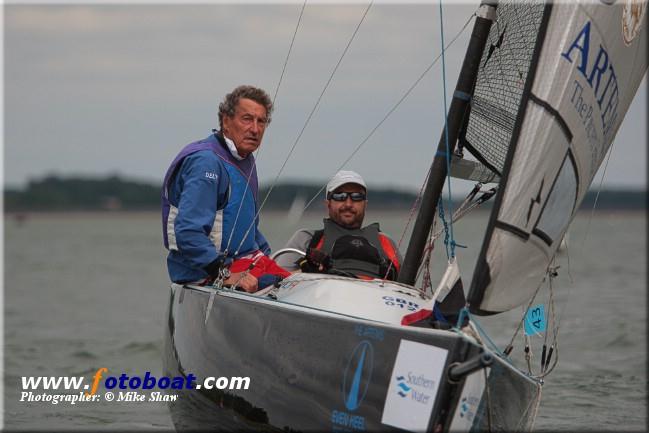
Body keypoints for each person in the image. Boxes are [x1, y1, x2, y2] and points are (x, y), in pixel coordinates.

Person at [162, 85, 289, 292]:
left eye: (261, 121)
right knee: (292, 291)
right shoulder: (206, 162)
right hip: (204, 273)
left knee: (305, 284)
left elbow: (248, 228)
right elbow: (187, 231)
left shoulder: (245, 159)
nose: (255, 129)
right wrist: (223, 273)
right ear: (226, 121)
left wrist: (265, 255)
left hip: (243, 262)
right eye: (247, 119)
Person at [275, 170, 402, 280]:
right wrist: (306, 273)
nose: (348, 204)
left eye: (356, 197)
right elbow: (275, 281)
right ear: (328, 203)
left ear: (365, 204)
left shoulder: (386, 243)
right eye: (340, 196)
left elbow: (408, 290)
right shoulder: (307, 239)